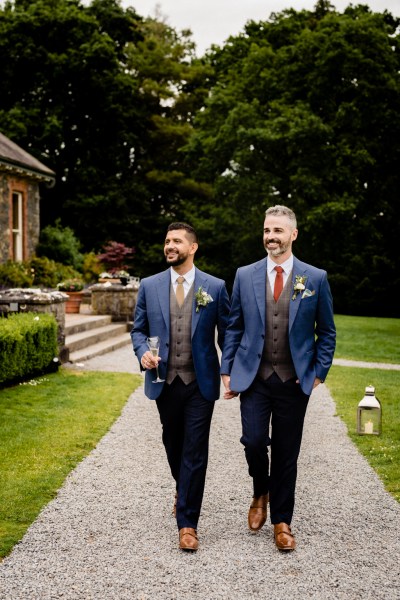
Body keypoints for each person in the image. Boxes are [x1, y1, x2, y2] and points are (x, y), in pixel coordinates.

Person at [221, 205, 336, 551]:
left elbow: (327, 332)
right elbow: (234, 326)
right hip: (254, 377)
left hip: (293, 380)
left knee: (287, 452)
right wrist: (227, 368)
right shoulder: (244, 274)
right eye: (267, 230)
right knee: (253, 441)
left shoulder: (314, 278)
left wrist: (318, 371)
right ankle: (260, 491)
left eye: (278, 231)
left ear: (293, 235)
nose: (271, 237)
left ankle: (282, 521)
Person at [131, 222, 230, 552]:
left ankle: (188, 524)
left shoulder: (214, 287)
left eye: (176, 241)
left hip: (200, 383)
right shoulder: (150, 285)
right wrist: (143, 352)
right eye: (167, 241)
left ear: (193, 247)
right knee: (172, 442)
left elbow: (228, 334)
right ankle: (182, 487)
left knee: (195, 451)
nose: (169, 245)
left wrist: (229, 370)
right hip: (165, 382)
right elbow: (138, 330)